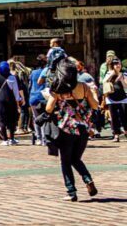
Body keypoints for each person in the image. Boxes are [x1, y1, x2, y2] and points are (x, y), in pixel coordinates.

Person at [45, 57, 99, 202]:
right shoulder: (84, 86)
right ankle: (87, 179)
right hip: (82, 128)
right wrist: (92, 94)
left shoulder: (57, 89)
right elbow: (95, 106)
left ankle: (71, 191)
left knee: (65, 161)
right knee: (76, 158)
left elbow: (48, 108)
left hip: (66, 128)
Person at [0, 62, 24, 145]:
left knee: (2, 119)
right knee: (11, 120)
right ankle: (12, 139)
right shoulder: (12, 77)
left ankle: (5, 140)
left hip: (0, 101)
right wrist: (18, 100)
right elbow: (15, 91)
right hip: (10, 100)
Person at [102, 58, 127, 141]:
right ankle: (116, 135)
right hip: (111, 98)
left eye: (119, 64)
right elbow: (104, 82)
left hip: (122, 98)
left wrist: (121, 79)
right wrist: (112, 74)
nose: (117, 65)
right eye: (115, 64)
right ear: (112, 65)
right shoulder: (109, 73)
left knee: (124, 115)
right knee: (114, 117)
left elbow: (125, 86)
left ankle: (126, 131)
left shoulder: (124, 74)